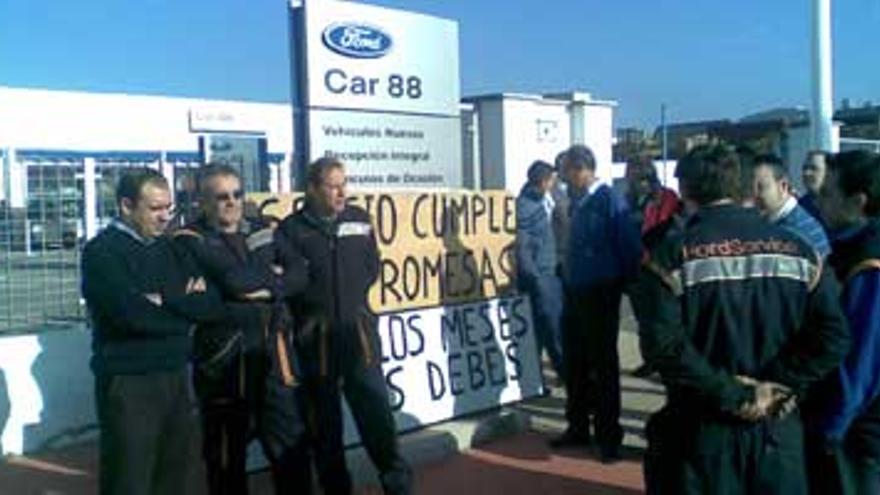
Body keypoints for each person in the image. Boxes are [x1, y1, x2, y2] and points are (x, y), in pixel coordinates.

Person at [635, 144, 850, 494]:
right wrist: (773, 386)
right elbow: (834, 337)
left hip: (701, 433)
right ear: (746, 188)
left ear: (685, 191)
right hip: (777, 430)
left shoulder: (668, 257)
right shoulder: (802, 252)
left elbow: (664, 348)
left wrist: (737, 393)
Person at [81, 168, 225, 495]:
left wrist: (163, 301)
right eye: (155, 209)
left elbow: (211, 303)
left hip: (175, 375)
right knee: (130, 477)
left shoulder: (172, 249)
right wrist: (183, 306)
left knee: (176, 477)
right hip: (129, 382)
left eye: (168, 208)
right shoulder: (102, 253)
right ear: (127, 206)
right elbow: (130, 315)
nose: (165, 218)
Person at [172, 164, 312, 495]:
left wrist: (266, 288)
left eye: (237, 194)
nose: (232, 202)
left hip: (275, 357)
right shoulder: (189, 239)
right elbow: (236, 282)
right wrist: (273, 277)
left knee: (290, 446)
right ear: (203, 202)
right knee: (225, 456)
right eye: (221, 197)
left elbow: (301, 272)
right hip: (223, 361)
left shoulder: (264, 227)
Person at [277, 157, 412, 495]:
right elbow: (289, 284)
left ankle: (397, 484)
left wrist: (355, 306)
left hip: (358, 335)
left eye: (344, 184)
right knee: (325, 428)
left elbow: (371, 266)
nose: (341, 192)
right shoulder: (290, 230)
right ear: (312, 188)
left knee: (377, 416)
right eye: (332, 185)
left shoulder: (359, 219)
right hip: (317, 341)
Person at [550, 144, 642, 463]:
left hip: (601, 292)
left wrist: (627, 286)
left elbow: (629, 248)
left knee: (603, 365)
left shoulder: (608, 201)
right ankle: (577, 426)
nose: (562, 179)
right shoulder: (574, 203)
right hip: (574, 290)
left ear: (583, 170)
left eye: (566, 172)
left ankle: (608, 436)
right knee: (575, 362)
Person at [805, 150, 880, 495]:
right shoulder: (846, 249)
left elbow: (862, 356)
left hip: (859, 424)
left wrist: (831, 429)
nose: (819, 201)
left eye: (829, 194)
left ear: (858, 201)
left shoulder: (869, 265)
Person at [624, 154, 682, 378]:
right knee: (643, 319)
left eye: (633, 172)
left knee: (664, 322)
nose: (629, 177)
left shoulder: (666, 197)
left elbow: (672, 230)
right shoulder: (630, 199)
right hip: (637, 267)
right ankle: (650, 360)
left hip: (660, 267)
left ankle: (670, 365)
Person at [515, 160, 564, 377]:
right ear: (544, 181)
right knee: (551, 328)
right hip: (541, 276)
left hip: (550, 270)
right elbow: (523, 245)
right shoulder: (526, 205)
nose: (555, 183)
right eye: (552, 179)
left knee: (544, 330)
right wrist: (535, 278)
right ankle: (563, 373)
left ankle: (540, 376)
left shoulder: (543, 198)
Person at [752, 153, 830, 258]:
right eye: (750, 188)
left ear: (783, 186)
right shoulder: (773, 223)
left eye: (761, 187)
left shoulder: (797, 233)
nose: (754, 194)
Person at [800, 150, 831, 227]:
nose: (806, 173)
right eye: (804, 168)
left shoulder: (840, 206)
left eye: (814, 168)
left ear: (829, 172)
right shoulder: (800, 206)